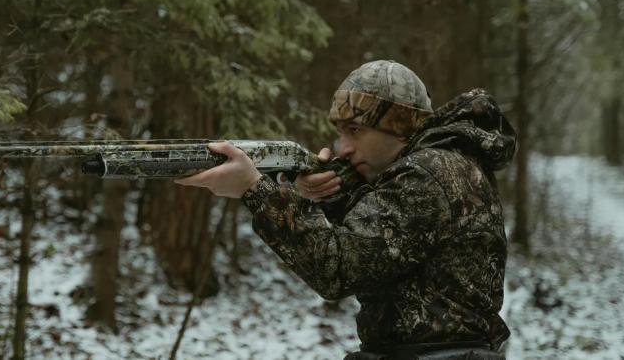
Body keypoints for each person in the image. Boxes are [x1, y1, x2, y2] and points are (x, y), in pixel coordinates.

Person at [175, 60, 516, 360]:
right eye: (340, 133)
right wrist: (334, 193)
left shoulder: (427, 174)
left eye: (356, 130)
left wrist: (256, 190)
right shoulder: (445, 165)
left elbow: (339, 267)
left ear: (397, 125)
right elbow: (389, 244)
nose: (344, 148)